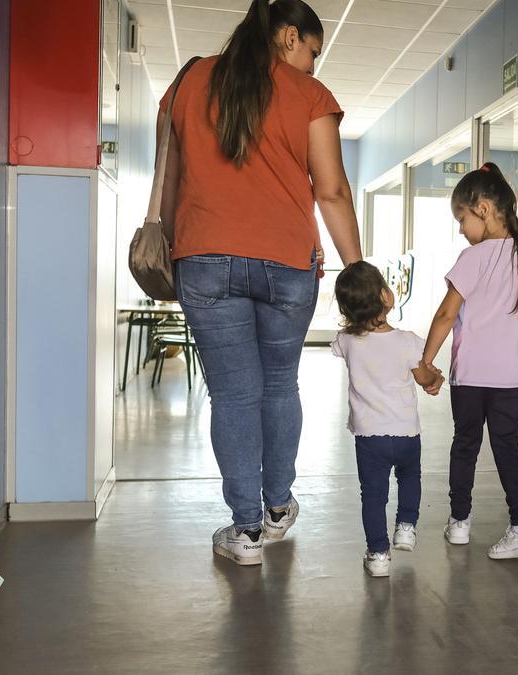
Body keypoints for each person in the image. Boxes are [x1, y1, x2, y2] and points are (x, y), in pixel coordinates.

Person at [157, 0, 362, 566]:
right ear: (289, 36)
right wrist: (357, 266)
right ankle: (276, 508)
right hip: (286, 262)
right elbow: (332, 191)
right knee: (278, 384)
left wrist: (173, 240)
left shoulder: (192, 80)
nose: (313, 67)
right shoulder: (308, 97)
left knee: (234, 394)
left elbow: (171, 170)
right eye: (312, 52)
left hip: (205, 256)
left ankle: (245, 529)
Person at [419, 162, 518, 560]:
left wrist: (426, 362)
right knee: (508, 446)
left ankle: (459, 523)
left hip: (471, 376)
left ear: (484, 209)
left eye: (462, 218)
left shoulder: (473, 257)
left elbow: (446, 314)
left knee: (465, 445)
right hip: (509, 378)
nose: (461, 229)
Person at [330, 262, 444, 577]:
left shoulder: (347, 341)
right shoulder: (408, 341)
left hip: (370, 438)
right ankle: (406, 525)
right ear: (386, 296)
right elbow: (423, 377)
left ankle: (378, 554)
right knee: (410, 478)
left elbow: (337, 345)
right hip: (407, 433)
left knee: (374, 495)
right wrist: (434, 378)